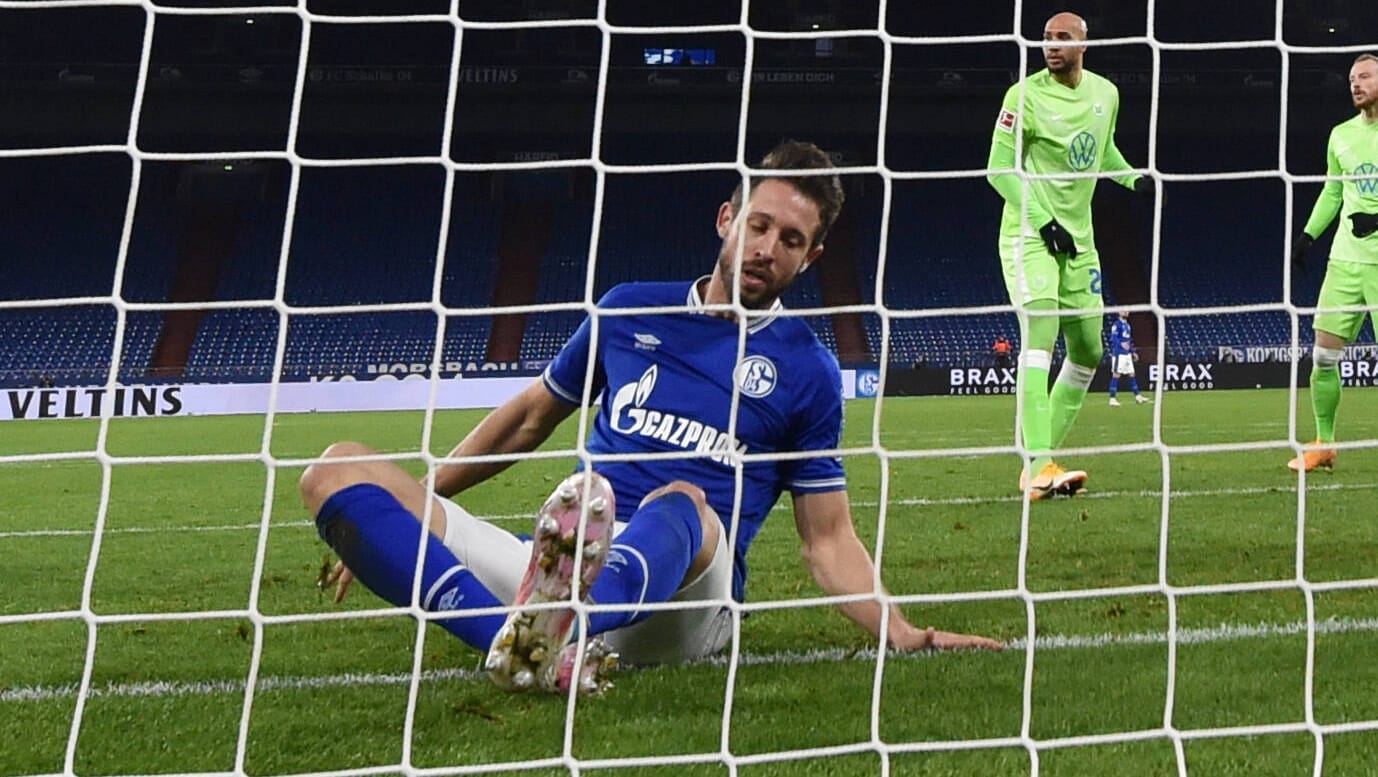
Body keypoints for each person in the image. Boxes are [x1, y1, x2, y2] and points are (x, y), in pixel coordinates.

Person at [299, 140, 1002, 696]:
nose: (767, 247)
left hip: (689, 598)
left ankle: (556, 628)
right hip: (563, 563)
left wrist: (903, 631)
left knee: (685, 502)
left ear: (811, 257)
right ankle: (522, 644)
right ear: (727, 219)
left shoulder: (807, 369)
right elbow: (527, 418)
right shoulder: (629, 306)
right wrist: (412, 510)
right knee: (336, 467)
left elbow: (829, 539)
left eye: (791, 239)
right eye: (758, 225)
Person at [986, 11, 1153, 500]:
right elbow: (998, 169)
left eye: (1063, 39)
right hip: (1030, 235)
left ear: (1084, 45)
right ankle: (1039, 462)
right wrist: (1043, 222)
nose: (1052, 46)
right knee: (1042, 332)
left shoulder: (1106, 94)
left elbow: (1102, 153)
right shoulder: (1024, 96)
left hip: (1079, 241)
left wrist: (1132, 178)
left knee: (1088, 350)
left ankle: (1036, 464)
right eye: (1046, 39)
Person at [1288, 53, 1378, 473]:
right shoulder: (1341, 134)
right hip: (1345, 261)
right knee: (1323, 357)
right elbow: (1333, 192)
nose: (1355, 84)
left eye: (1364, 77)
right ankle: (1324, 442)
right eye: (1351, 79)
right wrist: (1308, 235)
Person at [1106, 310, 1149, 406]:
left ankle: (1138, 397)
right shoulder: (1116, 325)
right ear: (1119, 313)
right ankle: (1112, 399)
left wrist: (1133, 352)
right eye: (1124, 311)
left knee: (1132, 374)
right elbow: (1113, 338)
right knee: (1116, 375)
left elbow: (1129, 340)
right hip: (1119, 354)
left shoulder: (1128, 325)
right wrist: (1121, 344)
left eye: (1127, 311)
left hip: (1127, 354)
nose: (1126, 312)